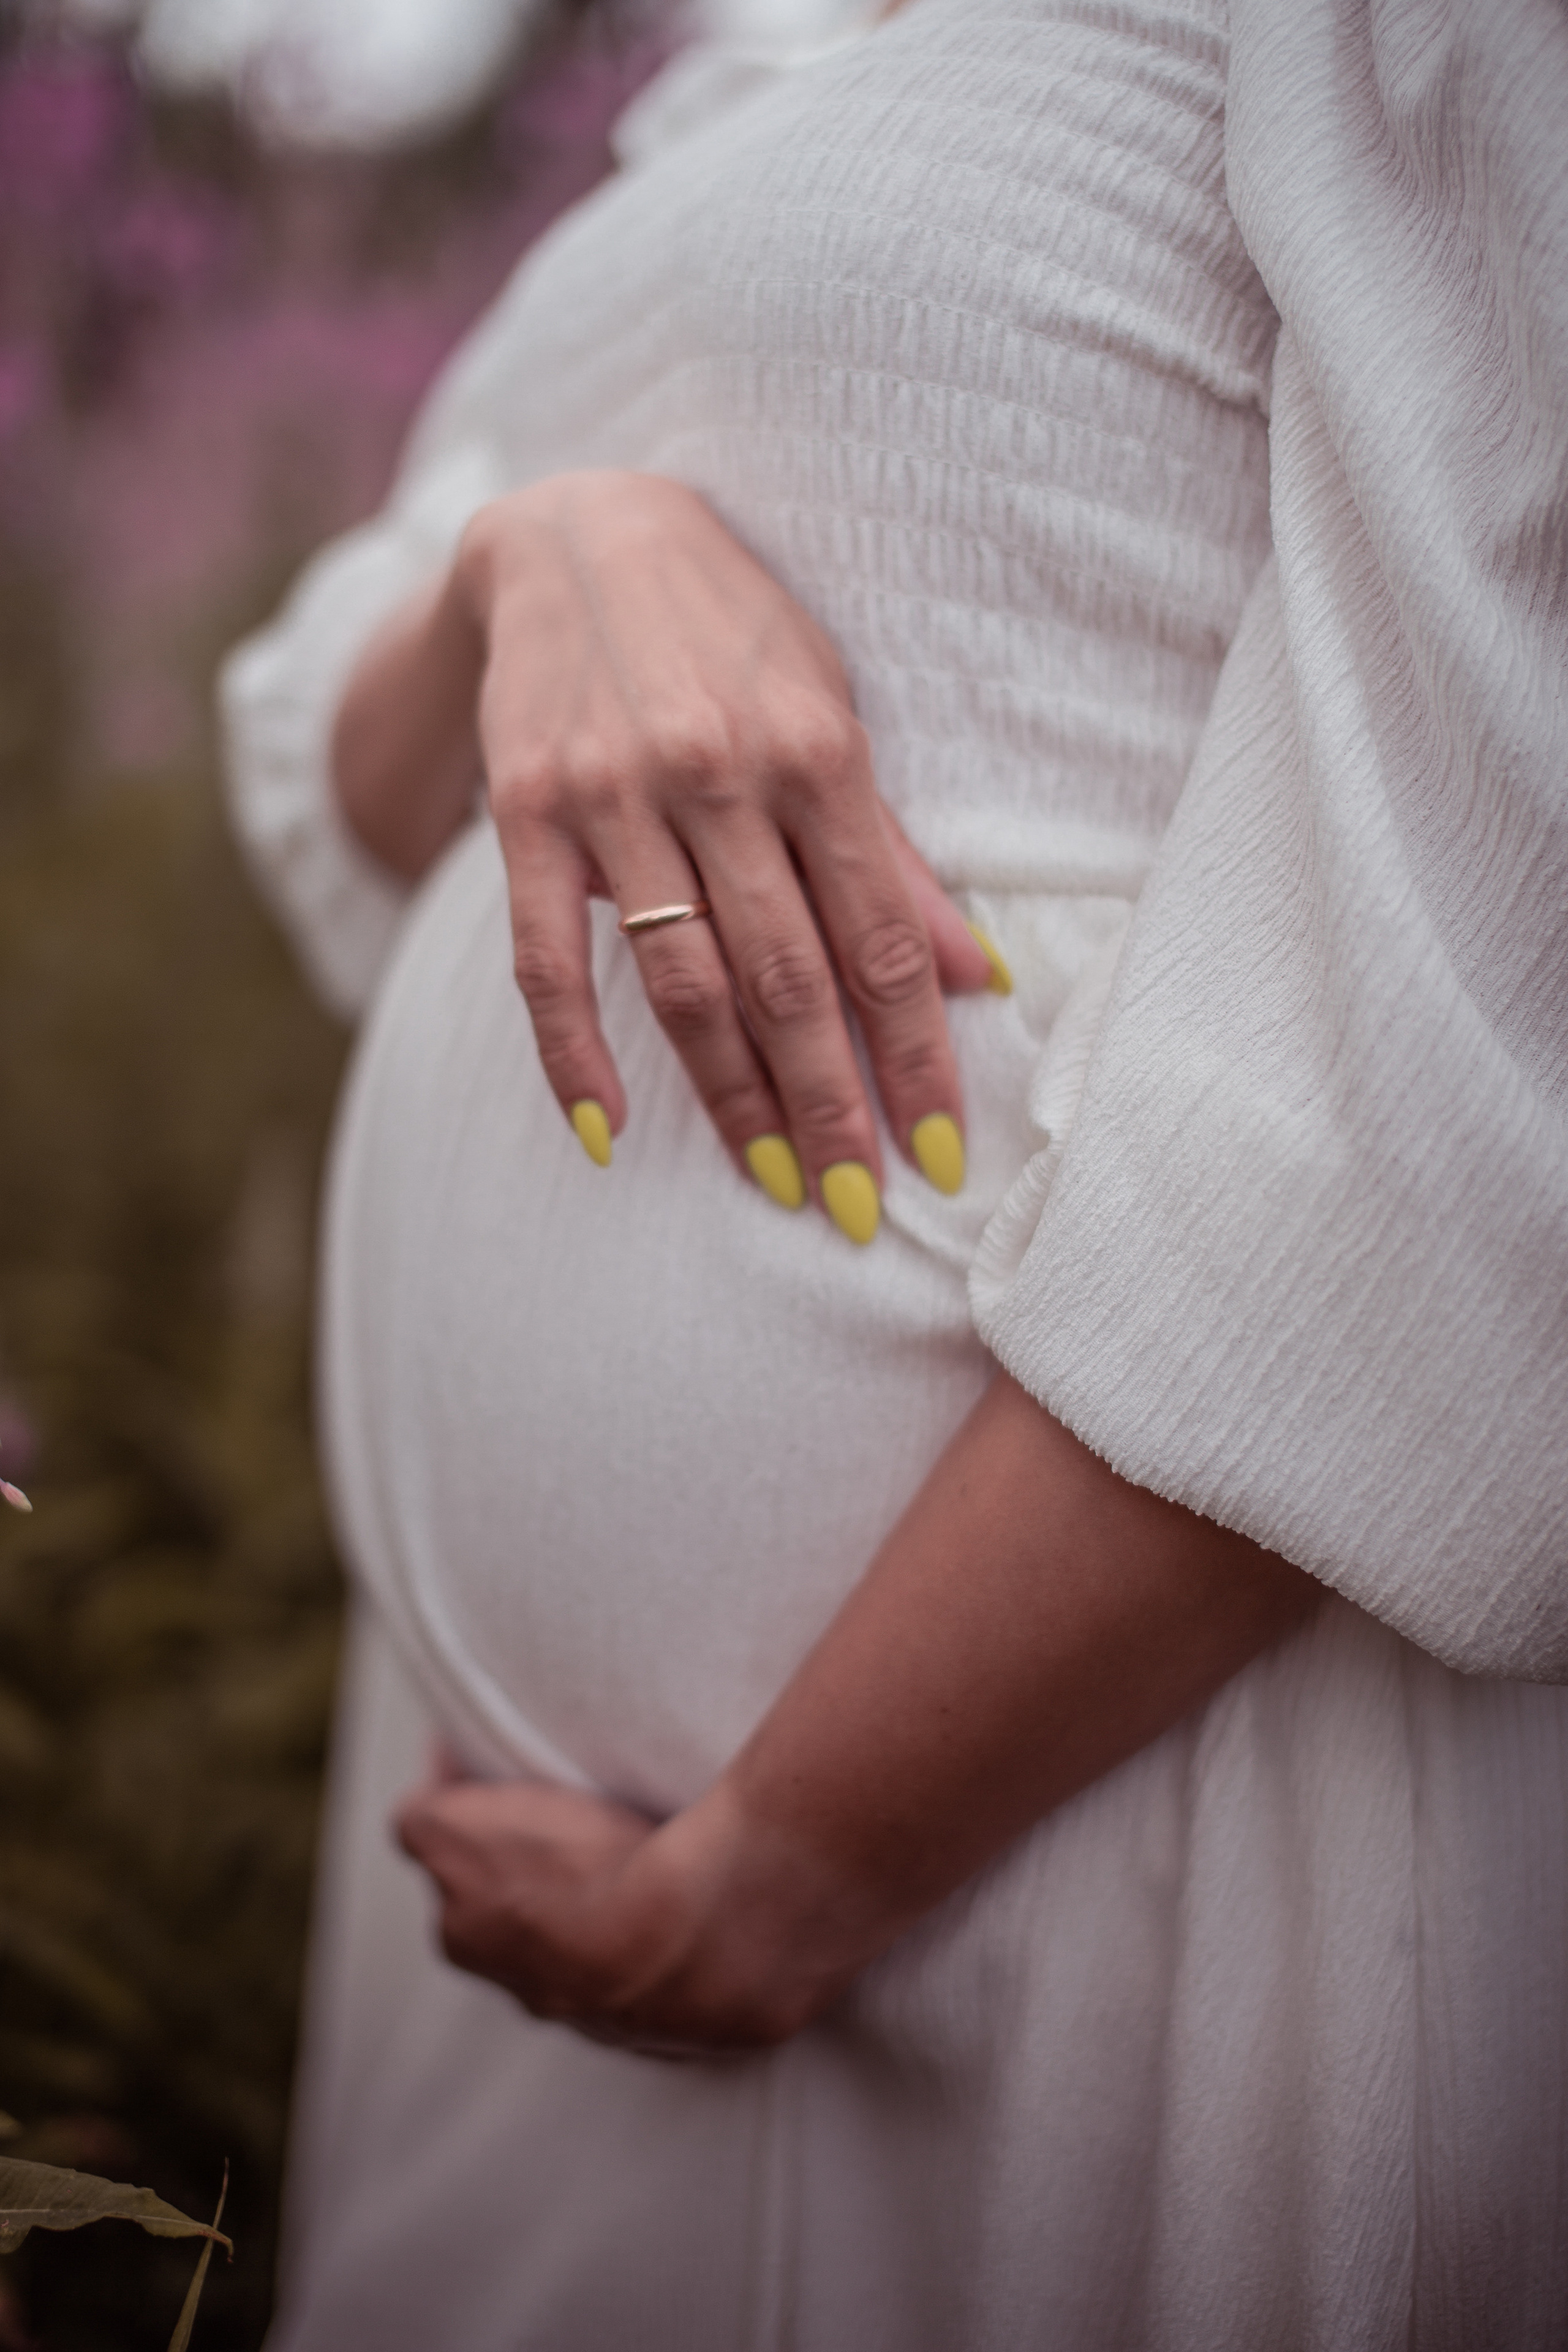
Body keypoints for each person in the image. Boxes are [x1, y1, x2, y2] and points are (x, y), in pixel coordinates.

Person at [221, 0, 1568, 2344]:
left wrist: (813, 1853)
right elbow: (336, 772)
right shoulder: (757, 69)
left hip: (1080, 1808)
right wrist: (542, 557)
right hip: (492, 1878)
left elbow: (1494, 940)